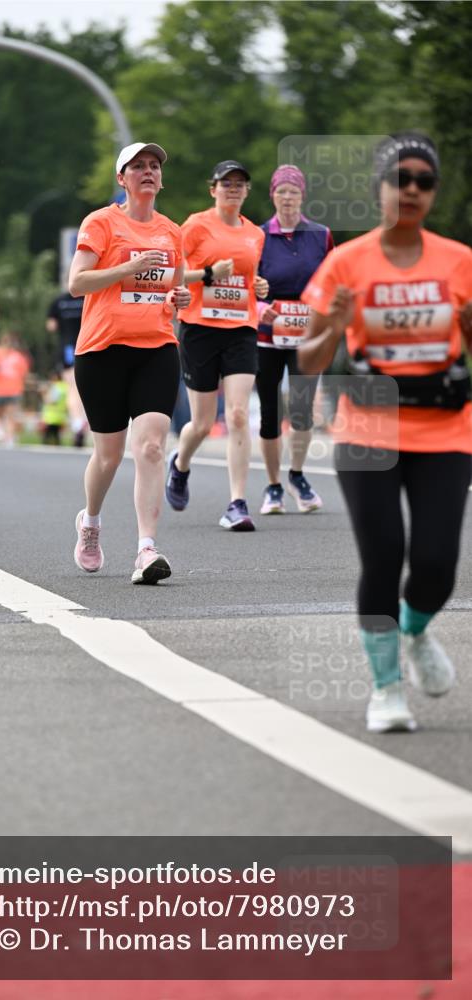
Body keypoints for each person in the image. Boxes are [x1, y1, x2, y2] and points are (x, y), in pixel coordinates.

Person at [299, 132, 472, 734]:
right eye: (402, 179)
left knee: (436, 563)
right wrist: (335, 326)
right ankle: (385, 688)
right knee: (383, 555)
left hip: (445, 427)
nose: (414, 190)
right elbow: (308, 360)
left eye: (425, 180)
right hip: (369, 421)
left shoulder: (459, 261)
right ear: (379, 188)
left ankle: (416, 629)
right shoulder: (347, 262)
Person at [69, 141, 190, 584]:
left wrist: (182, 297)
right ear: (121, 179)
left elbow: (173, 290)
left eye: (154, 165)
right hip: (102, 351)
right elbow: (77, 283)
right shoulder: (101, 223)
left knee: (153, 446)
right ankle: (91, 524)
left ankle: (146, 549)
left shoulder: (172, 232)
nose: (148, 172)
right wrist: (127, 267)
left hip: (156, 347)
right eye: (137, 166)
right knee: (109, 455)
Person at [165, 160, 268, 530]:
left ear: (247, 191)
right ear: (213, 190)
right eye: (226, 183)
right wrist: (209, 274)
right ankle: (179, 464)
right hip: (200, 329)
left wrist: (260, 288)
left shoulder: (255, 234)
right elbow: (173, 273)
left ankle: (236, 504)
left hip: (241, 327)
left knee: (239, 414)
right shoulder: (195, 226)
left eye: (240, 184)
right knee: (203, 423)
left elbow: (250, 278)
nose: (233, 189)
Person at [255, 165, 334, 514]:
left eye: (293, 191)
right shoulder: (257, 236)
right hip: (267, 334)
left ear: (303, 196)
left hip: (307, 333)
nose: (287, 197)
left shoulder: (320, 235)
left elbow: (334, 280)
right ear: (272, 195)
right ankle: (273, 486)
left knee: (302, 410)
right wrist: (259, 306)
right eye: (281, 191)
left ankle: (297, 475)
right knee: (270, 412)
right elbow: (246, 283)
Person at [46, 289, 88, 446]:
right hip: (88, 343)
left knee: (72, 387)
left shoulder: (59, 301)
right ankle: (82, 421)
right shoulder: (87, 297)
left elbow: (51, 326)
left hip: (68, 347)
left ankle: (78, 423)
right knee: (85, 387)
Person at [0, 332, 29, 447]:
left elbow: (23, 373)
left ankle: (9, 438)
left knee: (10, 415)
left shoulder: (18, 357)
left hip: (13, 390)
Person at [40, 368, 69, 445]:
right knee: (56, 436)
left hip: (51, 417)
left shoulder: (56, 387)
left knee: (47, 436)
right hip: (60, 416)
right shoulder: (64, 387)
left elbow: (51, 401)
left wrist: (43, 394)